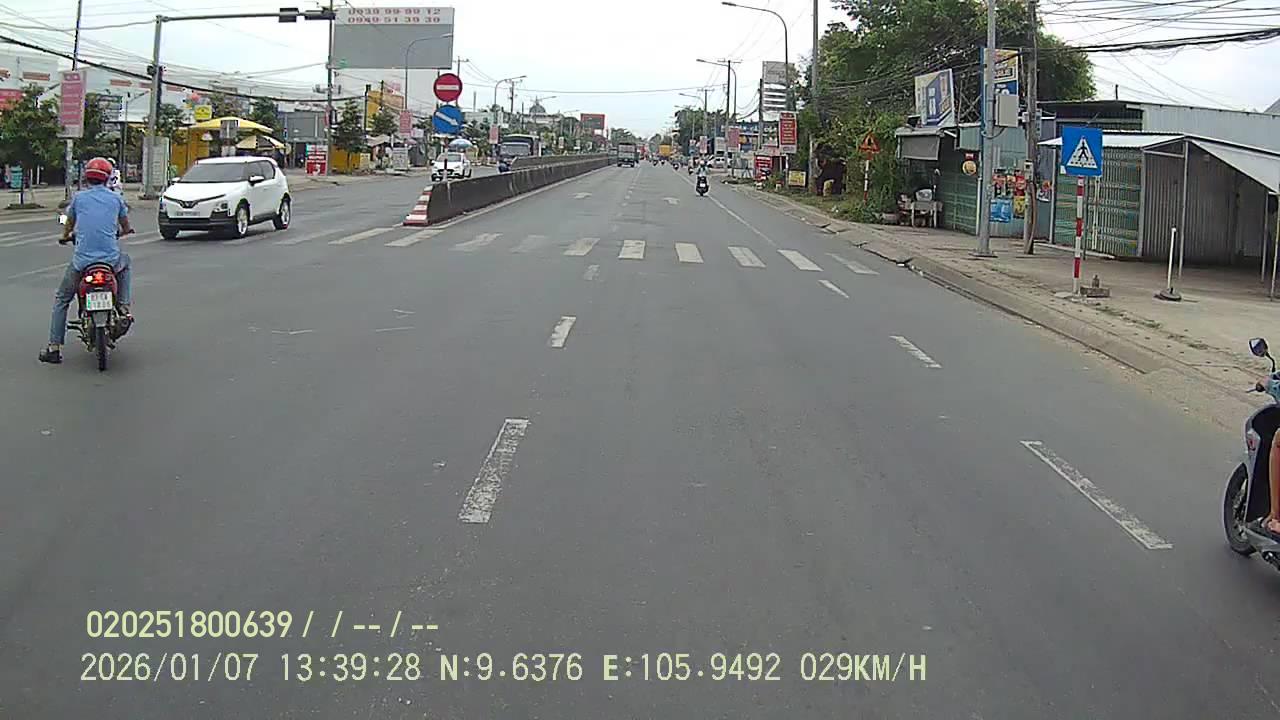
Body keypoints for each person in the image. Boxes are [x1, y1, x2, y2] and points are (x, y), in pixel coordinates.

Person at [39, 157, 133, 365]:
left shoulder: (79, 199)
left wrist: (65, 236)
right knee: (126, 263)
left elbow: (69, 222)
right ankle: (124, 306)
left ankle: (54, 347)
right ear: (108, 178)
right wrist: (124, 231)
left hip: (82, 263)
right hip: (110, 261)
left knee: (62, 299)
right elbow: (125, 225)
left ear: (86, 177)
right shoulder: (116, 199)